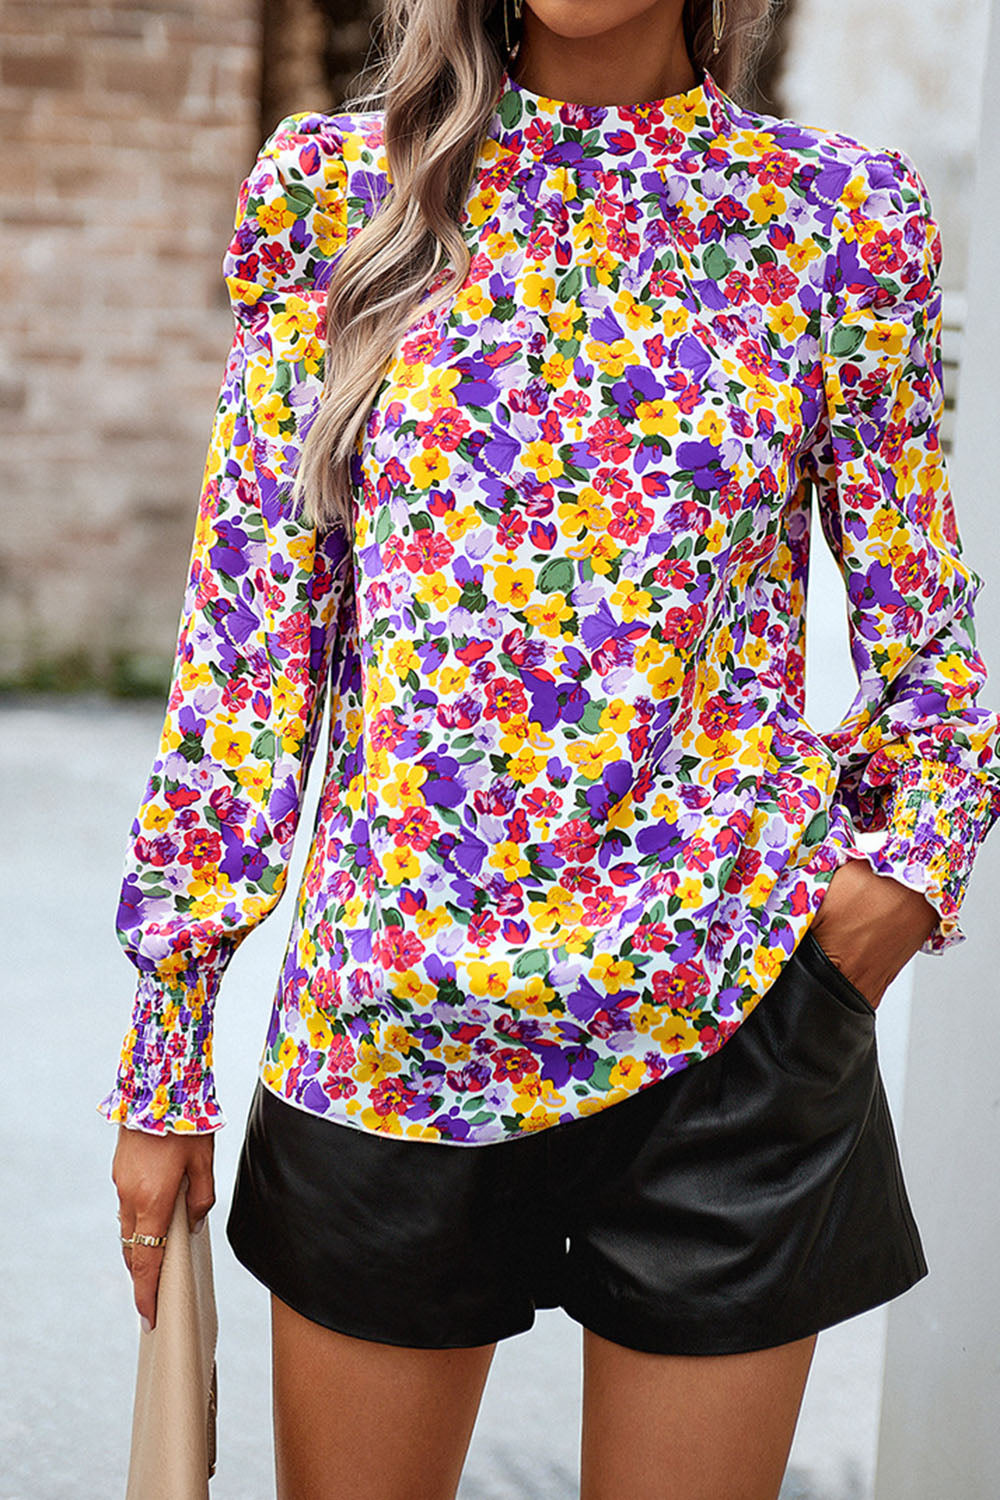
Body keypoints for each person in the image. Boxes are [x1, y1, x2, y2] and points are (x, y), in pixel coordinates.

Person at [102, 1, 1000, 1495]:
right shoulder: (337, 192)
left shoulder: (839, 216)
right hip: (389, 1030)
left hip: (731, 1035)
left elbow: (929, 649)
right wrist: (166, 1049)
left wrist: (876, 911)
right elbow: (248, 657)